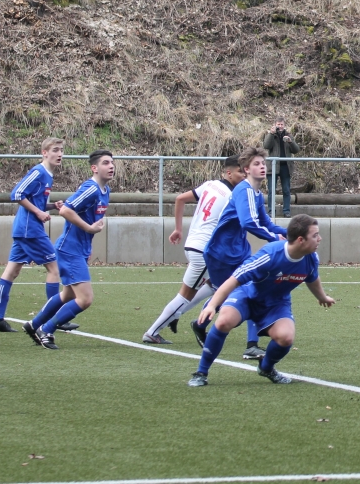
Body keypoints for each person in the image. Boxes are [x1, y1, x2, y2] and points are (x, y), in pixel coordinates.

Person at [188, 215, 333, 387]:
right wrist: (212, 305)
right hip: (248, 296)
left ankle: (266, 368)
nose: (319, 238)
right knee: (224, 321)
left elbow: (312, 278)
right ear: (301, 240)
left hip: (276, 304)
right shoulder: (270, 254)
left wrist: (322, 297)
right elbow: (234, 279)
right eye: (315, 235)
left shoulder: (311, 258)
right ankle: (201, 373)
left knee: (286, 338)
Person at [190, 147, 287, 352]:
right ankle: (250, 345)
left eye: (263, 163)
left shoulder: (257, 194)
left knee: (244, 290)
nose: (262, 167)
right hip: (221, 253)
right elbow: (248, 223)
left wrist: (292, 233)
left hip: (238, 251)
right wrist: (273, 237)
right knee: (247, 290)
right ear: (246, 169)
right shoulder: (244, 191)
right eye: (256, 164)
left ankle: (201, 324)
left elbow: (266, 223)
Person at [142, 155, 246, 345]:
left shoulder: (210, 185)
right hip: (205, 251)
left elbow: (180, 199)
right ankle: (153, 331)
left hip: (194, 244)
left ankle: (177, 314)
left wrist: (178, 229)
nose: (245, 175)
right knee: (186, 295)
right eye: (241, 171)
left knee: (218, 285)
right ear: (229, 173)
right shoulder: (232, 196)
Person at [23, 150, 114, 350]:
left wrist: (87, 245)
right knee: (85, 299)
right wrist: (89, 228)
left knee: (68, 295)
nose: (111, 166)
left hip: (78, 249)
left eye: (112, 163)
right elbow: (65, 210)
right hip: (69, 249)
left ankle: (33, 324)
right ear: (94, 168)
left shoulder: (105, 191)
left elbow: (88, 219)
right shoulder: (91, 189)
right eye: (106, 163)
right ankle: (46, 330)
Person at [0, 137, 70, 333]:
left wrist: (51, 206)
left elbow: (35, 201)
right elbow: (17, 194)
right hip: (30, 230)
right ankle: (54, 318)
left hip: (24, 229)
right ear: (44, 153)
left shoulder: (48, 175)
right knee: (54, 269)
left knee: (12, 271)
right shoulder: (38, 172)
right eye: (55, 150)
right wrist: (39, 212)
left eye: (61, 150)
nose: (59, 154)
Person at [263, 115, 300, 217]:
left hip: (285, 167)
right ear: (275, 125)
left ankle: (286, 211)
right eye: (278, 124)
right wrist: (271, 134)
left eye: (281, 124)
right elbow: (266, 146)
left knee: (286, 190)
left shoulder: (288, 135)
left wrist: (290, 142)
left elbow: (296, 150)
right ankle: (271, 211)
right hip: (273, 166)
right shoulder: (271, 135)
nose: (280, 126)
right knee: (271, 190)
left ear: (284, 125)